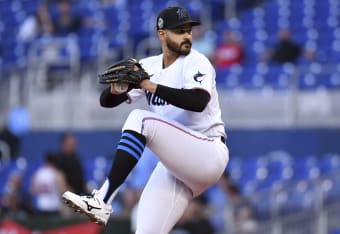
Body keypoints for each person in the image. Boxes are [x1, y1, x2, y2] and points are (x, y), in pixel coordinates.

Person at [62, 6, 229, 233]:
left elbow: (198, 101)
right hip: (175, 167)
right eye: (179, 30)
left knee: (140, 119)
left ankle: (102, 199)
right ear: (162, 34)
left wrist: (150, 85)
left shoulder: (196, 61)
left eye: (188, 30)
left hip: (207, 152)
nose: (187, 35)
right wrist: (117, 89)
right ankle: (102, 201)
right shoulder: (148, 66)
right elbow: (106, 102)